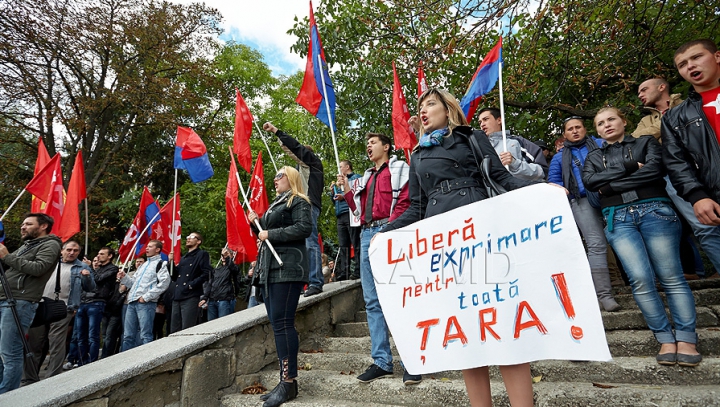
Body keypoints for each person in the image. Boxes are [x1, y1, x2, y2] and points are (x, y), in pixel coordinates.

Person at [380, 89, 537, 406]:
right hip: (443, 244)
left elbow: (500, 177)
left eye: (430, 104)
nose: (423, 110)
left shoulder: (471, 136)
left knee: (501, 325)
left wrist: (541, 191)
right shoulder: (418, 156)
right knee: (466, 333)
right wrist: (386, 231)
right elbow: (416, 208)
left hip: (480, 230)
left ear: (448, 109)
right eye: (420, 106)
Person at [583, 107, 701, 367]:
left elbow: (655, 170)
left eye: (612, 118)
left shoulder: (646, 142)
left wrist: (610, 186)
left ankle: (686, 338)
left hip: (655, 210)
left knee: (671, 277)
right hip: (617, 218)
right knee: (640, 279)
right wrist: (628, 168)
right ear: (598, 130)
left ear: (624, 121)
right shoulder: (593, 156)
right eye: (601, 123)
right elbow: (591, 182)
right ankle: (664, 338)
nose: (607, 124)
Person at [336, 132, 416, 385]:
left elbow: (405, 201)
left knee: (398, 298)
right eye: (367, 143)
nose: (369, 146)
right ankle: (382, 361)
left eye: (373, 142)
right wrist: (347, 190)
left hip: (390, 232)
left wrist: (389, 230)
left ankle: (411, 361)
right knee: (371, 300)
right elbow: (357, 210)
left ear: (386, 146)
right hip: (366, 234)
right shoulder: (366, 177)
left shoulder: (400, 168)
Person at [248, 166, 313, 407]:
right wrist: (256, 222)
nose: (275, 180)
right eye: (274, 177)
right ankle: (286, 382)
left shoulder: (298, 201)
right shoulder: (277, 204)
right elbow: (263, 233)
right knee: (278, 324)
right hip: (273, 270)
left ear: (291, 178)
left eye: (280, 175)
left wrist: (269, 233)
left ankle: (288, 381)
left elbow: (303, 228)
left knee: (283, 323)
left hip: (288, 267)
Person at [547, 117, 621, 312]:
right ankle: (604, 295)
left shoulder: (600, 143)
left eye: (578, 127)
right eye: (570, 129)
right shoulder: (559, 157)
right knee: (595, 244)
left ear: (585, 129)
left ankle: (644, 283)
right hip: (581, 201)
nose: (575, 131)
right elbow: (554, 181)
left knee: (623, 239)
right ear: (565, 134)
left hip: (613, 194)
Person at [662, 39, 720, 271]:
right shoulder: (674, 117)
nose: (690, 66)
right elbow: (677, 162)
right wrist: (697, 196)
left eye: (696, 57)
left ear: (716, 57)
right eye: (682, 64)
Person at [0, 213, 62, 394]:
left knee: (10, 353)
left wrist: (7, 256)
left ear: (43, 226)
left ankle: (7, 396)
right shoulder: (27, 246)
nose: (22, 226)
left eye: (28, 223)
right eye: (22, 223)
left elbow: (38, 268)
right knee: (2, 353)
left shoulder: (50, 244)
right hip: (6, 299)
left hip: (20, 302)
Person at [263, 122, 324, 297]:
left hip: (309, 207)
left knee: (310, 243)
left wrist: (276, 131)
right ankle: (303, 281)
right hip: (298, 206)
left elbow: (295, 148)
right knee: (300, 245)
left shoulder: (312, 164)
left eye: (299, 156)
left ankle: (315, 281)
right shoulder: (299, 172)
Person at [24, 240, 93, 382]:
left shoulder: (82, 267)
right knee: (35, 344)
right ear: (62, 250)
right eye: (69, 250)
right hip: (39, 305)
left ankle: (52, 379)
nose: (71, 253)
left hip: (63, 308)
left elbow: (90, 288)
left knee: (56, 343)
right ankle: (29, 378)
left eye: (75, 250)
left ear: (79, 252)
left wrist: (87, 277)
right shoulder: (50, 262)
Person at [119, 240, 170, 351]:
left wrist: (146, 297)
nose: (147, 248)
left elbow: (165, 283)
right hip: (131, 302)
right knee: (127, 336)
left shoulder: (162, 264)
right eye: (147, 246)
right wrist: (124, 277)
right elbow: (132, 283)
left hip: (146, 303)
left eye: (150, 246)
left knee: (145, 335)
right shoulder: (143, 265)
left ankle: (145, 361)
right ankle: (124, 362)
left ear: (157, 250)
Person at [477, 107, 548, 180]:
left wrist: (514, 163)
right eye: (480, 122)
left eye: (485, 119)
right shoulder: (479, 149)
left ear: (499, 120)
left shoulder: (518, 141)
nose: (482, 124)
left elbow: (542, 172)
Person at [74, 246, 117, 365]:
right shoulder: (96, 268)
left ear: (110, 256)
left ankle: (92, 362)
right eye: (98, 253)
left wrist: (89, 267)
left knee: (93, 335)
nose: (98, 256)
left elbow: (97, 279)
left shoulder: (113, 269)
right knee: (80, 335)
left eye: (102, 254)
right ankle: (81, 361)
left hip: (97, 302)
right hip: (83, 302)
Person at [169, 233, 211, 333]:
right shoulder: (183, 258)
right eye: (188, 237)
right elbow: (174, 276)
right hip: (177, 296)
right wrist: (170, 263)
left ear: (198, 241)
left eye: (192, 237)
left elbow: (206, 273)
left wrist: (191, 285)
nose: (188, 239)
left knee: (187, 328)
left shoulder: (202, 254)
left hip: (190, 295)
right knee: (174, 328)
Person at [332, 160, 362, 280]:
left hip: (351, 213)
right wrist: (333, 192)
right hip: (340, 215)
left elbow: (356, 193)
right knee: (343, 244)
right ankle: (345, 271)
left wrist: (343, 197)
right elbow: (334, 200)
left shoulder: (356, 178)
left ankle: (359, 269)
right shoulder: (339, 182)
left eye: (340, 167)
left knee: (355, 241)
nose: (339, 169)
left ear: (347, 167)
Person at [200, 248, 240, 321]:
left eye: (227, 254)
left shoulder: (234, 268)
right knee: (211, 324)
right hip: (212, 300)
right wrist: (205, 298)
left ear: (231, 256)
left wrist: (227, 257)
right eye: (222, 255)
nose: (223, 256)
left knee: (223, 323)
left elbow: (232, 267)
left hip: (225, 300)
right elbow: (210, 284)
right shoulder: (216, 270)